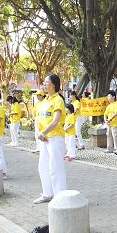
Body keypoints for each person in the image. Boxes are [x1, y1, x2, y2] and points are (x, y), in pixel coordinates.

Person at [33, 74, 67, 204]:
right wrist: (41, 134)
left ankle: (60, 196)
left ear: (53, 84)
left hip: (55, 137)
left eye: (46, 82)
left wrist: (43, 132)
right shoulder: (44, 101)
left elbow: (55, 121)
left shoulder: (58, 100)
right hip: (44, 138)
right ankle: (47, 193)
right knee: (43, 166)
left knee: (55, 167)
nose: (44, 84)